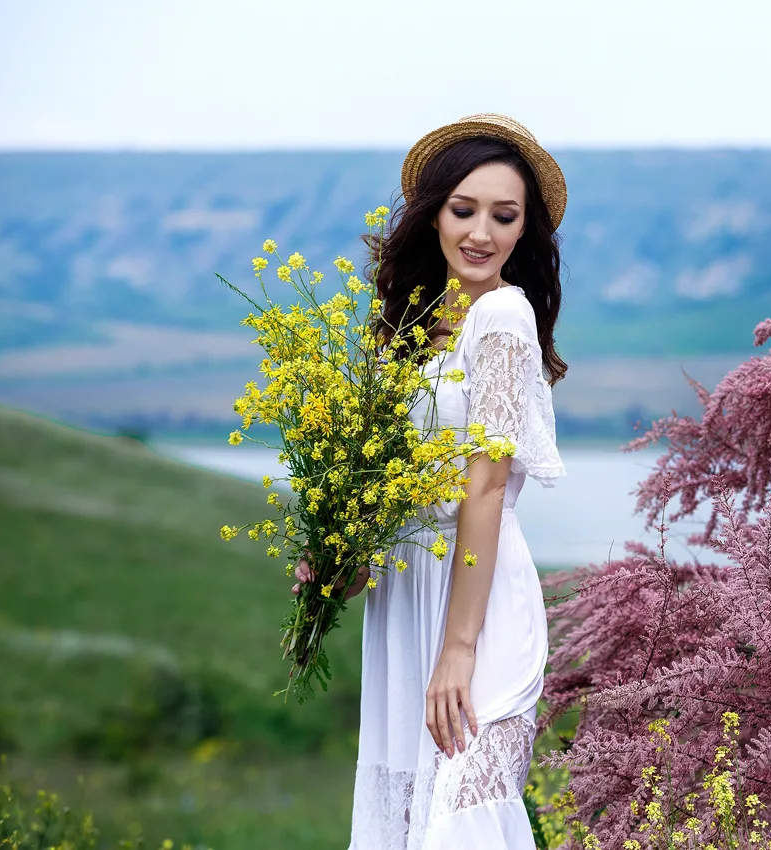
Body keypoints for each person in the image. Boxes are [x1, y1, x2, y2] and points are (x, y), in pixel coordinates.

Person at [292, 113, 568, 849]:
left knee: (461, 828)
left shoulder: (503, 316)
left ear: (524, 231)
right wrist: (340, 565)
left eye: (503, 217)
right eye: (463, 210)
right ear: (433, 215)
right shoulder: (410, 330)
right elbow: (386, 486)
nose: (481, 233)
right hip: (405, 600)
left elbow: (482, 488)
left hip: (475, 609)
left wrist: (460, 648)